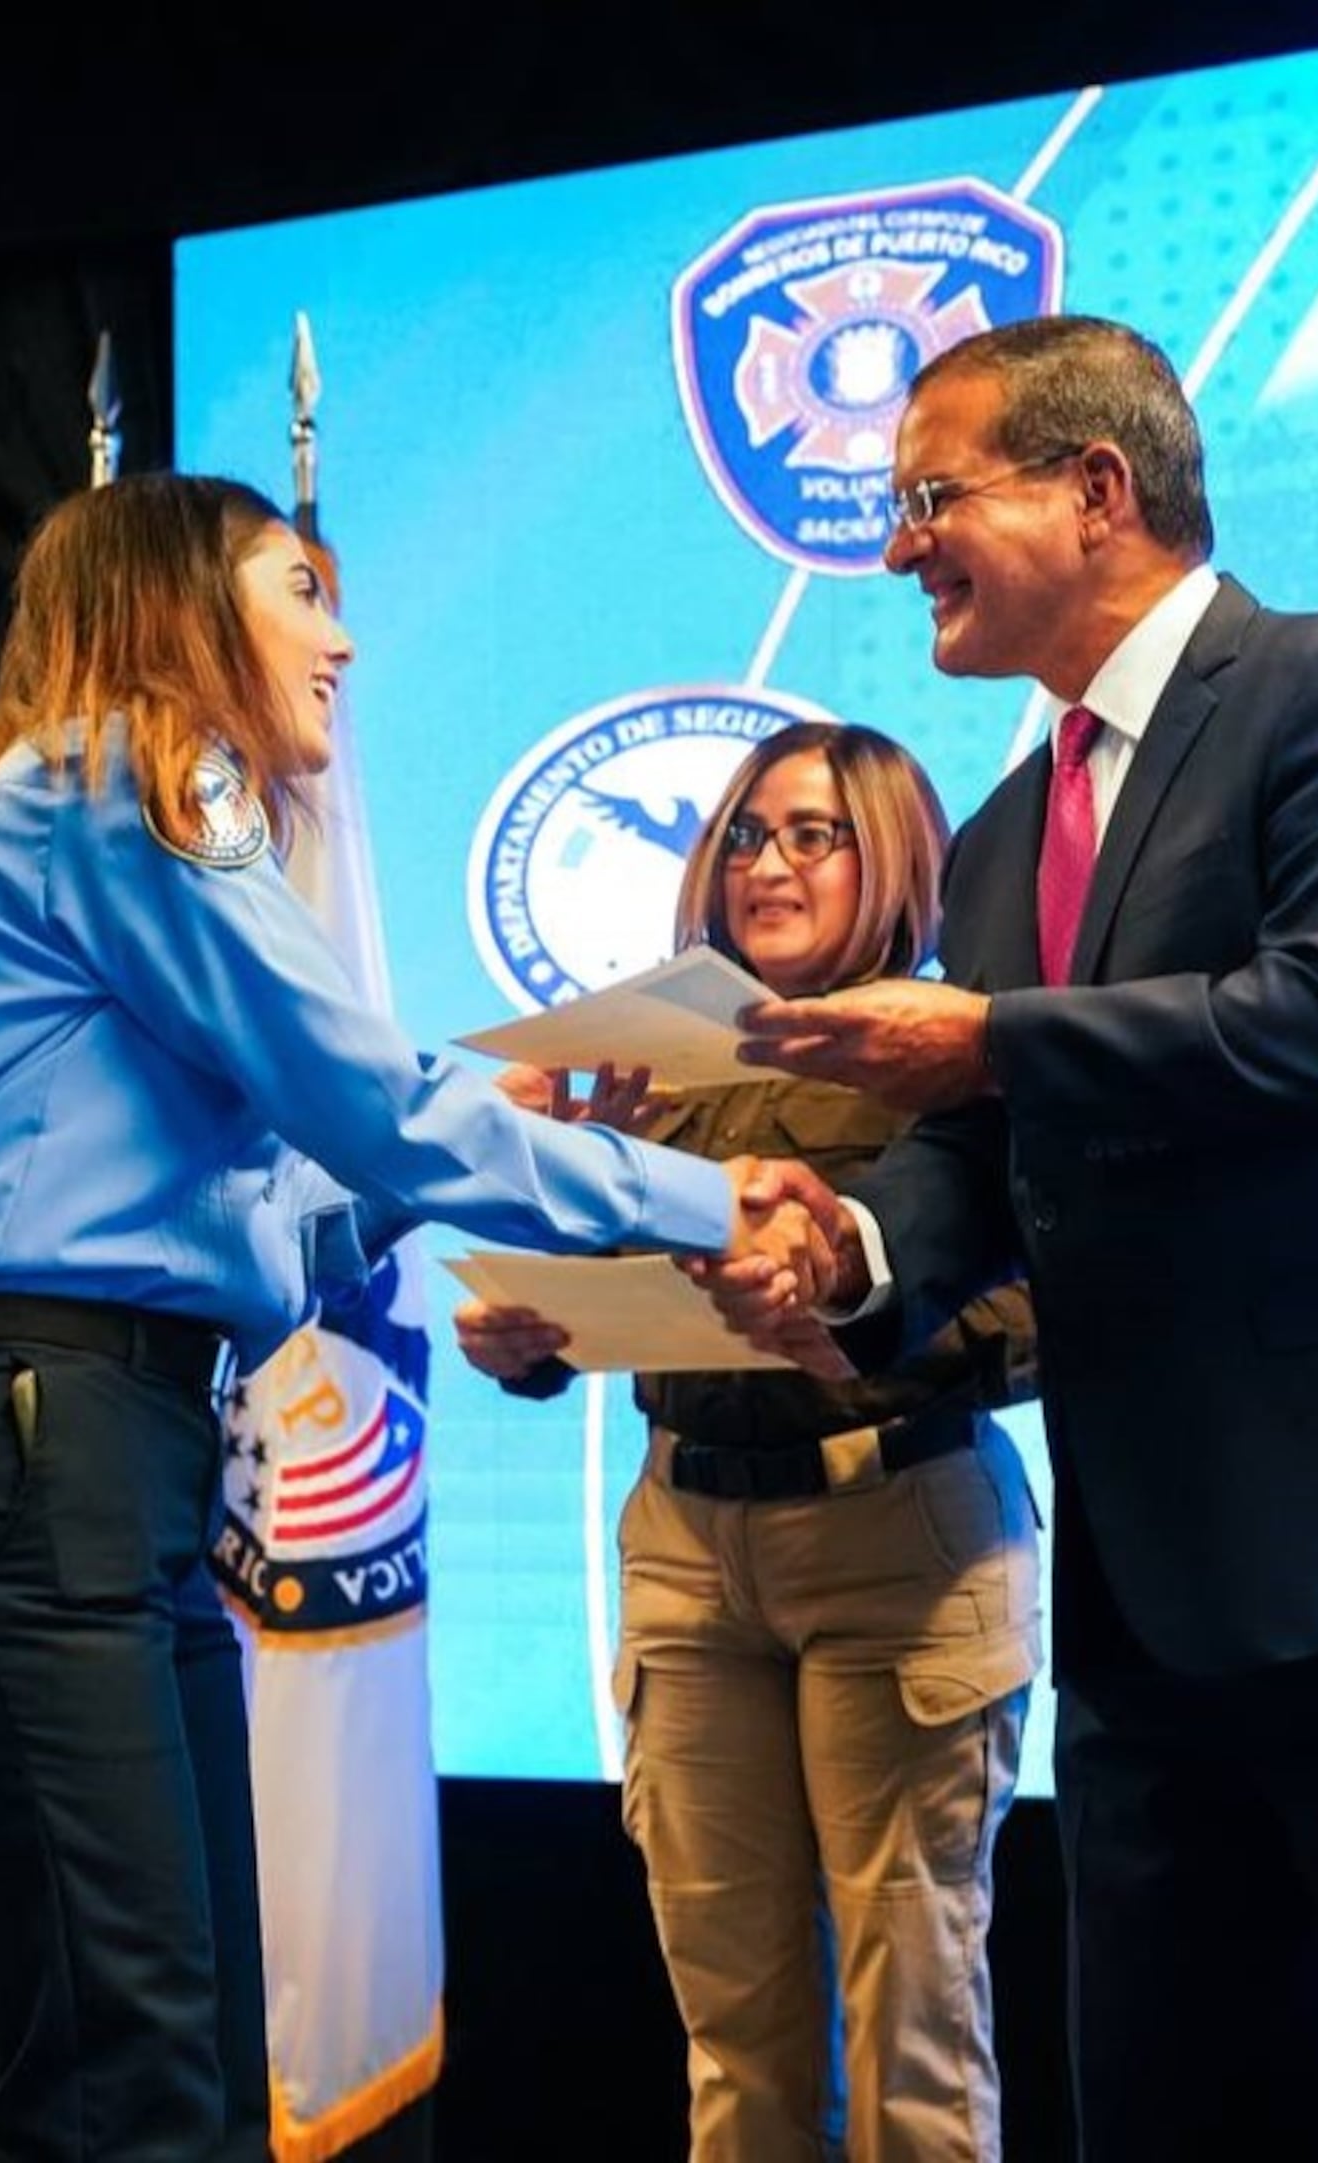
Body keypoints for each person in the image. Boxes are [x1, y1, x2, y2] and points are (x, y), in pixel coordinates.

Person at [712, 317, 1318, 2161]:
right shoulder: (1001, 833)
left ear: (1098, 491)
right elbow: (985, 1156)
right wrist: (844, 1250)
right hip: (1158, 1602)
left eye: (931, 495)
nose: (897, 543)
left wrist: (988, 1036)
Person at [0, 472, 825, 2163]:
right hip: (26, 1453)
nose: (343, 637)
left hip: (85, 1453)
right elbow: (375, 1104)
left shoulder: (63, 806)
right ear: (179, 605)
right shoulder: (130, 776)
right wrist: (714, 1202)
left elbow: (290, 1232)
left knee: (179, 2073)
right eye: (301, 589)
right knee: (128, 2088)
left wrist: (527, 1121)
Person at [456, 722, 1044, 2162]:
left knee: (911, 2023)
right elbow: (606, 1302)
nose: (767, 865)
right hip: (685, 1549)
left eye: (813, 835)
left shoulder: (957, 1048)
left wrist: (851, 1318)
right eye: (744, 836)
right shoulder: (641, 1059)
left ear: (896, 854)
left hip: (894, 1536)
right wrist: (526, 1338)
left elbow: (1046, 1303)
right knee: (734, 2044)